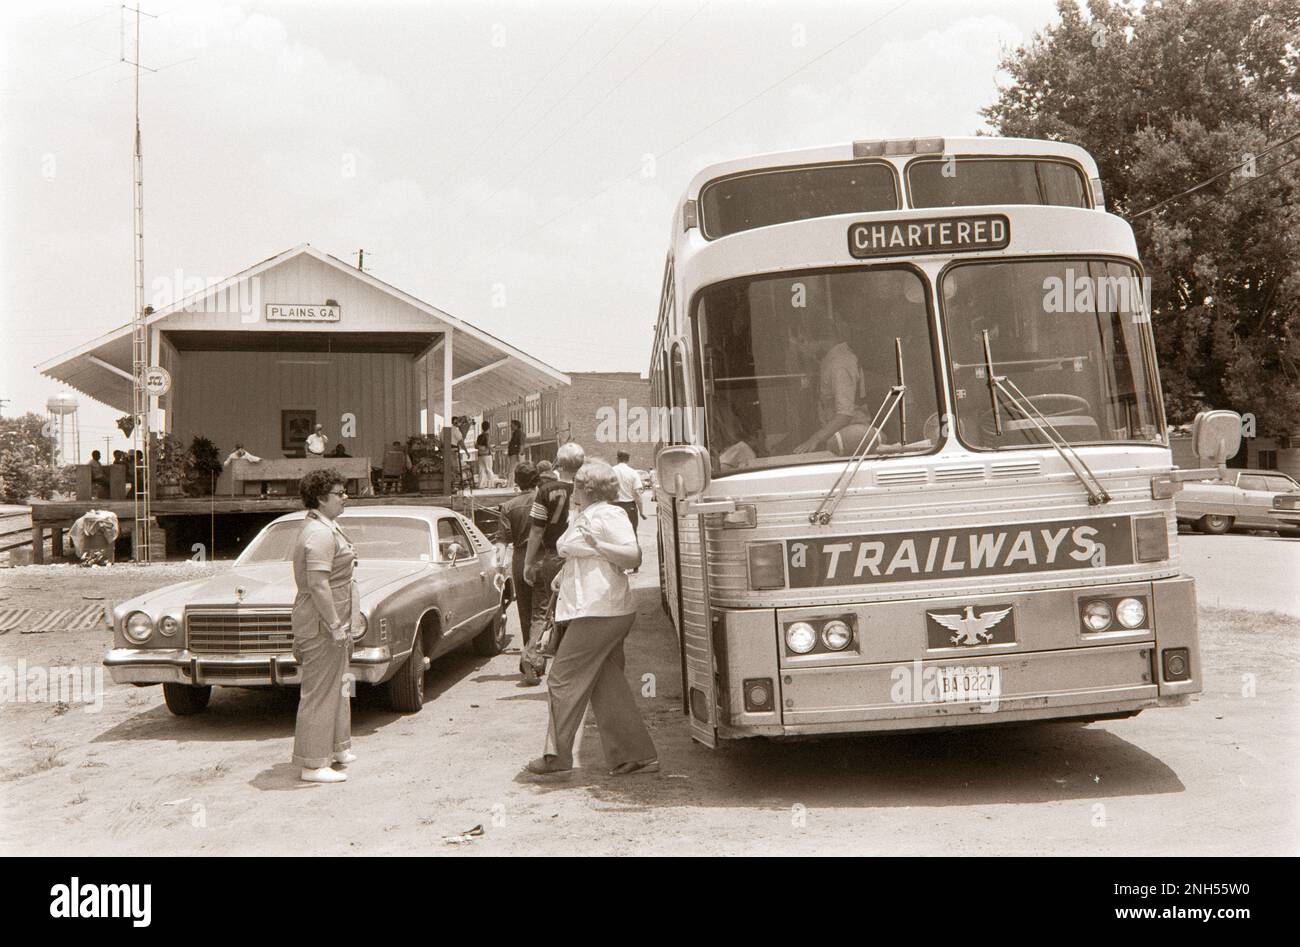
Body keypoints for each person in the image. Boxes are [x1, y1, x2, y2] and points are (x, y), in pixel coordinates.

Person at [523, 460, 658, 779]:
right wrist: (564, 574)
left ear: (587, 489)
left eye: (577, 484)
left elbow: (632, 555)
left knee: (561, 679)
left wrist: (599, 545)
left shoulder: (610, 514)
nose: (572, 489)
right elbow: (584, 557)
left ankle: (557, 756)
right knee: (604, 682)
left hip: (599, 610)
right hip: (598, 609)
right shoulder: (587, 514)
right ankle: (635, 755)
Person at [290, 469, 359, 784]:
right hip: (322, 619)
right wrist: (333, 623)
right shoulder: (319, 533)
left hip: (336, 614)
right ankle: (313, 764)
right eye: (339, 493)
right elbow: (318, 585)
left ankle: (336, 746)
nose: (345, 497)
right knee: (319, 691)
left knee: (341, 683)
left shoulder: (327, 526)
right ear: (321, 498)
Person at [522, 442, 584, 675]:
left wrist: (528, 563)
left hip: (553, 556)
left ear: (559, 462)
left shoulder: (546, 490)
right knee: (577, 612)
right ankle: (574, 664)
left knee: (546, 610)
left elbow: (536, 530)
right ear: (582, 463)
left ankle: (534, 659)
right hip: (581, 557)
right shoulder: (588, 487)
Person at [793, 318, 869, 454]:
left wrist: (814, 439)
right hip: (838, 436)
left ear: (820, 340)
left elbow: (844, 415)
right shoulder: (830, 360)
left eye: (803, 341)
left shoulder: (839, 364)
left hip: (851, 439)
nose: (800, 347)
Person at [495, 461, 541, 684]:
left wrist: (499, 569)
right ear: (537, 480)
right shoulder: (544, 501)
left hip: (521, 558)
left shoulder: (508, 506)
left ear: (517, 481)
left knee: (525, 611)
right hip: (544, 556)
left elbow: (502, 542)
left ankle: (530, 657)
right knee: (547, 609)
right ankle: (541, 654)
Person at [611, 450, 642, 572]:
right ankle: (635, 565)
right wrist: (642, 510)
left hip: (614, 506)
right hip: (630, 506)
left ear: (617, 458)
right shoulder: (633, 472)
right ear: (628, 459)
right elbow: (637, 494)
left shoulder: (611, 472)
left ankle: (619, 565)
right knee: (632, 534)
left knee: (614, 535)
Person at [474, 421, 494, 488]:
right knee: (489, 470)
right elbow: (488, 444)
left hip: (480, 455)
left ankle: (481, 485)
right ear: (489, 427)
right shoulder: (487, 435)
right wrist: (492, 448)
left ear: (482, 427)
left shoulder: (479, 436)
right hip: (487, 455)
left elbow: (476, 445)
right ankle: (490, 485)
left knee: (481, 470)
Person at [506, 419, 523, 485]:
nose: (511, 427)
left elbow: (521, 444)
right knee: (514, 469)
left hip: (515, 454)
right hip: (514, 454)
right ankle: (512, 483)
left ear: (516, 426)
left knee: (512, 469)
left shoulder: (519, 434)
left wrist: (519, 454)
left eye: (512, 425)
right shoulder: (515, 433)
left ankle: (511, 484)